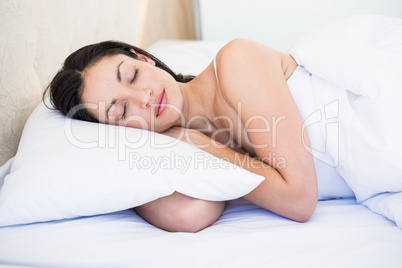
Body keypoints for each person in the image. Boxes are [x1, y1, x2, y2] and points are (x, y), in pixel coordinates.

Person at [44, 39, 322, 232]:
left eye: (133, 76)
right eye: (122, 111)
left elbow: (299, 201)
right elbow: (189, 214)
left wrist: (199, 143)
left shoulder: (237, 61)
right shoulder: (176, 149)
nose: (145, 98)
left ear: (144, 58)